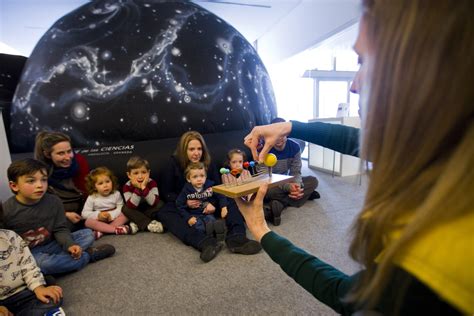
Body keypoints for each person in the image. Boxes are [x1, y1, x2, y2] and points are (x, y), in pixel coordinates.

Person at [240, 0, 474, 314]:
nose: (353, 85)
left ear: (419, 75)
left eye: (364, 61)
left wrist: (262, 232)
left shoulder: (437, 260)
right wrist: (289, 125)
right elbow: (361, 142)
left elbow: (348, 295)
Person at [159, 131, 261, 263]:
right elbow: (166, 192)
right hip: (184, 203)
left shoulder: (208, 162)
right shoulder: (173, 163)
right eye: (191, 149)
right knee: (164, 212)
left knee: (230, 199)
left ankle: (237, 238)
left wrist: (210, 202)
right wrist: (186, 202)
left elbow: (217, 187)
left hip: (208, 200)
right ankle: (205, 243)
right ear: (184, 150)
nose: (196, 153)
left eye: (199, 149)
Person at [2, 159, 116, 276]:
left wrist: (70, 245)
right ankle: (88, 256)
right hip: (30, 253)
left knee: (87, 235)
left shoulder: (54, 201)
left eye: (44, 180)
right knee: (44, 264)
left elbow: (60, 229)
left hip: (53, 243)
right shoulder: (6, 211)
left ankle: (60, 263)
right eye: (31, 181)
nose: (40, 185)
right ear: (14, 186)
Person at [256, 117, 319, 226]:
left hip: (287, 181)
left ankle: (279, 204)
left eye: (282, 135)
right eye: (275, 135)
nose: (279, 138)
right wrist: (289, 188)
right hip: (271, 184)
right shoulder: (263, 150)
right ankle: (303, 196)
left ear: (287, 134)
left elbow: (296, 172)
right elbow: (266, 177)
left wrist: (297, 186)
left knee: (313, 181)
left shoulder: (294, 147)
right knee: (268, 191)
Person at [0, 228, 64, 316]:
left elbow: (28, 264)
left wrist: (38, 287)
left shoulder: (9, 235)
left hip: (21, 292)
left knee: (53, 298)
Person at [34, 131, 89, 232]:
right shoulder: (39, 171)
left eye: (69, 151)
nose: (68, 157)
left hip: (82, 210)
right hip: (56, 214)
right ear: (47, 154)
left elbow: (86, 190)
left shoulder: (79, 161)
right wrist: (65, 214)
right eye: (61, 153)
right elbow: (40, 204)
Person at [176, 162, 227, 241]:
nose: (199, 179)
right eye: (195, 177)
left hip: (207, 213)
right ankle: (206, 237)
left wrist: (224, 207)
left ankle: (217, 232)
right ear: (189, 179)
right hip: (194, 215)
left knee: (211, 220)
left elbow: (221, 195)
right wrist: (188, 218)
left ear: (206, 176)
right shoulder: (186, 190)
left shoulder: (210, 186)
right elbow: (179, 205)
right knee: (198, 226)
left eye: (202, 176)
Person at [82, 167, 136, 239]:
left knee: (126, 214)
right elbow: (84, 214)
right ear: (94, 187)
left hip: (114, 219)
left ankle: (102, 231)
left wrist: (112, 215)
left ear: (112, 182)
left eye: (107, 181)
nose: (105, 185)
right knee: (88, 222)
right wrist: (98, 215)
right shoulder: (92, 197)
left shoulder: (116, 193)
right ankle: (115, 230)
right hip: (100, 221)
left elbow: (121, 207)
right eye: (100, 183)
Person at [121, 156, 164, 234]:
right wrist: (137, 188)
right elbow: (132, 206)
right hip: (135, 209)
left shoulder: (152, 182)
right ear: (129, 175)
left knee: (160, 203)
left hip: (148, 207)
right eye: (136, 173)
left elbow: (153, 202)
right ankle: (149, 224)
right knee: (125, 208)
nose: (140, 176)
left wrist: (144, 188)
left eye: (144, 172)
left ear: (148, 173)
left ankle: (137, 222)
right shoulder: (126, 186)